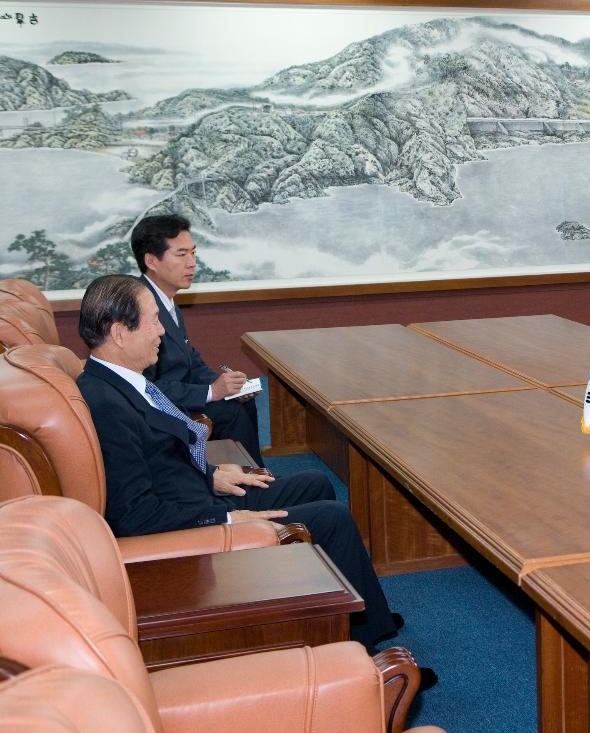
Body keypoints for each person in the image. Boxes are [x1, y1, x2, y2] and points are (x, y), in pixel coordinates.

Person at [75, 275, 401, 650]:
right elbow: (134, 515)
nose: (161, 330)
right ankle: (365, 645)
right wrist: (228, 520)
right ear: (119, 332)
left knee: (314, 483)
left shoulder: (122, 382)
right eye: (152, 320)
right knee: (332, 517)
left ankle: (349, 618)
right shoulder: (106, 404)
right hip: (191, 520)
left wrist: (212, 474)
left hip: (197, 493)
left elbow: (158, 455)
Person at [130, 214, 263, 465]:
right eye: (181, 255)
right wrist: (212, 391)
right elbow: (146, 386)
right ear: (151, 260)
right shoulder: (140, 308)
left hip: (180, 396)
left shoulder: (166, 302)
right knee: (229, 410)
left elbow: (191, 361)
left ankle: (255, 475)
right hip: (159, 409)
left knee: (239, 402)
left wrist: (225, 384)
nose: (192, 263)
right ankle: (249, 484)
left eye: (193, 253)